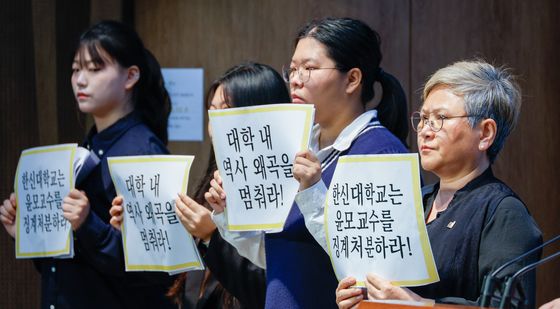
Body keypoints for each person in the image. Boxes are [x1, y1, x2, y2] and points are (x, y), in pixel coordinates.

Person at [206, 17, 409, 308]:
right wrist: (228, 214)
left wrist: (314, 191)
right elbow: (277, 254)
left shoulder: (380, 152)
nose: (296, 79)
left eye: (310, 68)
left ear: (352, 79)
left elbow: (369, 264)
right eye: (293, 69)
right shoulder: (297, 146)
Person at [335, 60, 542, 308]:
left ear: (485, 133)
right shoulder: (410, 201)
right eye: (423, 118)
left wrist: (420, 305)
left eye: (440, 118)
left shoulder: (503, 212)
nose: (425, 130)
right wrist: (361, 297)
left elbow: (508, 307)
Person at [0, 20, 175, 308]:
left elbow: (159, 270)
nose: (81, 80)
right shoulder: (89, 146)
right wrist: (30, 234)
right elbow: (74, 266)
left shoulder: (143, 152)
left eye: (95, 68)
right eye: (75, 69)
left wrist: (88, 224)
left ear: (131, 76)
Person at [110, 62, 290, 308]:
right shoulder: (211, 181)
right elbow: (178, 279)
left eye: (226, 111)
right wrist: (138, 227)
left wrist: (212, 236)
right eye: (211, 112)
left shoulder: (284, 188)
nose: (215, 124)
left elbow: (271, 288)